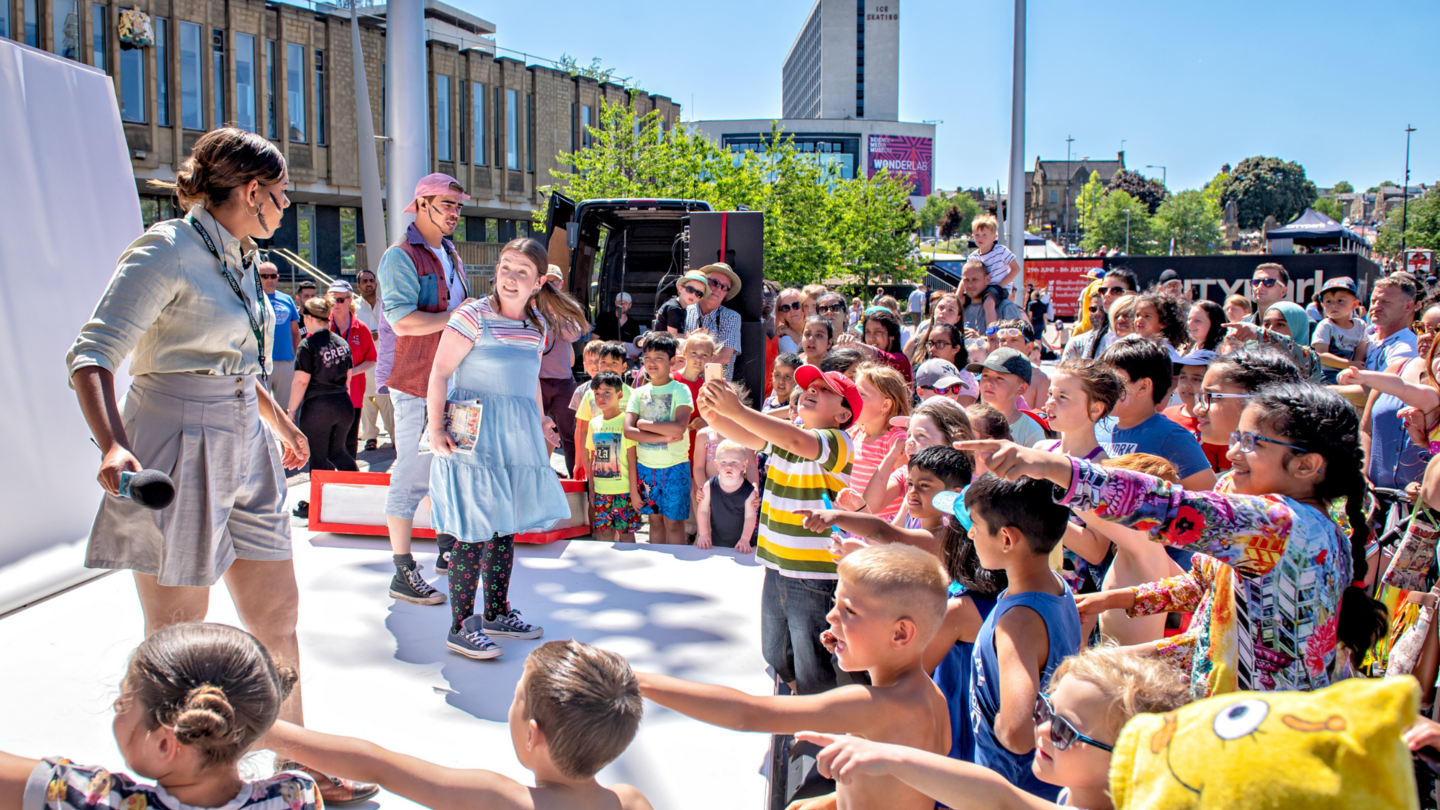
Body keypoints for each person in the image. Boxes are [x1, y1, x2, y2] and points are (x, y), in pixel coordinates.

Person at [61, 127, 367, 800]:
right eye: (283, 195)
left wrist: (276, 419)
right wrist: (113, 444)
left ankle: (297, 760)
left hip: (243, 440)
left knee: (277, 616)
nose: (286, 208)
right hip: (175, 437)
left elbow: (229, 352)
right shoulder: (166, 249)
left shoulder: (236, 254)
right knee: (180, 633)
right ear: (252, 192)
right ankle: (175, 775)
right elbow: (92, 354)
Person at [971, 382, 1390, 699]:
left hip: (1262, 738)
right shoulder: (1297, 526)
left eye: (1252, 443)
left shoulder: (1280, 524)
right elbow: (1212, 611)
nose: (1234, 452)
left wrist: (1053, 466)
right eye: (1238, 438)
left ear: (1307, 465)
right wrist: (1113, 604)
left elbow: (1168, 508)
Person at [636, 544, 951, 810]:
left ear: (900, 633)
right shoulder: (933, 697)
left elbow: (747, 714)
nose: (830, 616)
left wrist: (637, 681)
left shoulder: (874, 705)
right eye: (834, 604)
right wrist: (828, 802)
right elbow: (898, 791)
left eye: (849, 611)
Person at [258, 640, 653, 810]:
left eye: (515, 698)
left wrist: (262, 729)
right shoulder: (631, 801)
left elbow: (376, 764)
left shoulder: (502, 800)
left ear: (532, 734)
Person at [794, 645, 1191, 810]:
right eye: (1044, 710)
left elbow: (1000, 799)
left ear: (1130, 758)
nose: (1041, 730)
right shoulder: (1083, 794)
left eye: (1063, 731)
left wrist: (888, 756)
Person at [427, 237, 577, 660]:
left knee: (503, 528)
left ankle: (495, 613)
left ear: (539, 282)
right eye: (506, 267)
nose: (510, 278)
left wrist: (541, 420)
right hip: (472, 436)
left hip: (515, 437)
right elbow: (439, 374)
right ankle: (460, 627)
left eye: (522, 272)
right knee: (473, 531)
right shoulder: (471, 315)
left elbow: (528, 379)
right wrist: (436, 427)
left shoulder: (536, 326)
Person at [0, 623, 337, 810]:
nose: (117, 711)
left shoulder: (93, 800)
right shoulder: (295, 795)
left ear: (164, 743)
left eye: (122, 704)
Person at [697, 364, 859, 694]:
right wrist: (714, 415)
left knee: (812, 662)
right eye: (810, 387)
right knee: (774, 652)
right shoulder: (787, 436)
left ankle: (816, 725)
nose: (811, 390)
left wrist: (738, 409)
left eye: (824, 389)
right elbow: (746, 435)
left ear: (843, 415)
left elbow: (793, 438)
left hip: (814, 574)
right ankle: (802, 704)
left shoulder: (838, 441)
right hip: (776, 565)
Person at [933, 473, 1081, 800]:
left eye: (975, 525)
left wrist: (994, 724)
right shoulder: (1055, 585)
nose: (969, 533)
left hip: (1011, 789)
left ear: (1007, 540)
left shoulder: (1019, 621)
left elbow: (1017, 734)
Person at [375, 173, 473, 606]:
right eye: (447, 204)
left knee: (450, 471)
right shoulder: (399, 256)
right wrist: (460, 315)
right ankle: (402, 568)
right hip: (417, 384)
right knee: (411, 475)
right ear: (421, 204)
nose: (454, 213)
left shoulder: (449, 252)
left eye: (457, 206)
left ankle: (446, 551)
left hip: (454, 384)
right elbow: (401, 322)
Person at [1064, 454, 1187, 645]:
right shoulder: (1149, 553)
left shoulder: (1145, 547)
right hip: (1130, 666)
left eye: (1116, 491)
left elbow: (1091, 510)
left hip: (1132, 669)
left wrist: (1053, 472)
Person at [1094, 338, 1217, 492]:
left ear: (1143, 386)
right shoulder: (1097, 426)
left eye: (1114, 381)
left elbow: (1208, 501)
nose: (1103, 388)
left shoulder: (1174, 438)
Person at [624, 333, 693, 545]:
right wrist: (662, 435)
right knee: (654, 522)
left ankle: (677, 570)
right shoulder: (638, 393)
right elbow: (628, 431)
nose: (651, 363)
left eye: (659, 358)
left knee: (674, 523)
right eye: (647, 357)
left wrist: (644, 425)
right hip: (647, 469)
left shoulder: (681, 390)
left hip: (676, 468)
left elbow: (679, 426)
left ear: (672, 362)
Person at [860, 400, 974, 526]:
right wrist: (891, 457)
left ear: (953, 440)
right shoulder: (909, 477)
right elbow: (871, 506)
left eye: (921, 435)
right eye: (909, 435)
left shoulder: (968, 489)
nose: (909, 442)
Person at [288, 298, 358, 473]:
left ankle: (320, 500)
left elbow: (301, 381)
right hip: (343, 404)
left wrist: (291, 412)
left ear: (309, 318)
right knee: (338, 452)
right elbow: (348, 379)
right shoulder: (342, 343)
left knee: (318, 458)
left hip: (318, 408)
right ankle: (359, 492)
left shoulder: (307, 345)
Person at [835, 364, 911, 521]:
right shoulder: (854, 432)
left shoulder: (897, 442)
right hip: (856, 523)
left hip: (881, 528)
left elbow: (903, 487)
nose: (853, 399)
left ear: (885, 405)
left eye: (861, 394)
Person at [538, 266, 587, 475]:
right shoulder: (533, 304)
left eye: (555, 282)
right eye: (547, 282)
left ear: (561, 284)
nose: (551, 286)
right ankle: (540, 472)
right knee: (535, 431)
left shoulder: (567, 306)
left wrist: (558, 311)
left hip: (563, 379)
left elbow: (574, 334)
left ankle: (574, 476)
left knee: (569, 433)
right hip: (537, 380)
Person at [583, 371, 643, 543]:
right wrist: (592, 490)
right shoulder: (593, 423)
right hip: (601, 493)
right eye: (597, 393)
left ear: (620, 394)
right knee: (603, 535)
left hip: (624, 493)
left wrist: (633, 492)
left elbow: (632, 461)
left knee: (626, 534)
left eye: (607, 392)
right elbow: (593, 459)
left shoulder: (627, 423)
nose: (601, 397)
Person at [325, 280, 377, 460]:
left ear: (349, 300)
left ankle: (349, 482)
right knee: (327, 443)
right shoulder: (323, 326)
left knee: (349, 443)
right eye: (331, 301)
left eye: (340, 300)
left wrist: (350, 372)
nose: (335, 305)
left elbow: (371, 359)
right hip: (326, 395)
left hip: (352, 394)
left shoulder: (361, 328)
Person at [1037, 359, 1123, 462]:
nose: (1048, 403)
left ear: (1095, 409)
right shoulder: (1040, 450)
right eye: (1050, 394)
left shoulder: (1099, 468)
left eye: (1062, 397)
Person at [571, 341, 630, 481]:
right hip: (596, 467)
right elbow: (581, 431)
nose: (608, 367)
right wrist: (581, 463)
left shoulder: (634, 395)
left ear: (624, 366)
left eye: (614, 362)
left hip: (626, 468)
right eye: (604, 362)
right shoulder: (589, 395)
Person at [1225, 302, 1324, 383]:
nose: (1271, 329)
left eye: (1280, 324)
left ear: (1297, 327)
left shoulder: (1310, 357)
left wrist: (1263, 334)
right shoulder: (1256, 357)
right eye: (1266, 324)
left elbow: (1291, 349)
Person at [967, 348, 1047, 449]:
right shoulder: (969, 420)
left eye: (1000, 378)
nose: (989, 382)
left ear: (1021, 389)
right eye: (985, 375)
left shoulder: (1030, 430)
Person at [1162, 350, 1228, 471]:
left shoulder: (1220, 424)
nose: (1186, 385)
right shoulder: (1165, 415)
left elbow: (1225, 475)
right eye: (1183, 377)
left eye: (1197, 379)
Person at [354, 268, 393, 451]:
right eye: (364, 281)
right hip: (363, 361)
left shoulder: (385, 305)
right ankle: (370, 436)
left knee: (387, 400)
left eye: (371, 280)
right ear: (359, 286)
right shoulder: (353, 308)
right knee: (366, 401)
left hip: (385, 361)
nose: (368, 284)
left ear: (376, 283)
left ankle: (394, 435)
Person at [697, 440, 759, 552]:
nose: (729, 466)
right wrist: (704, 534)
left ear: (744, 465)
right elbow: (703, 510)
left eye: (734, 462)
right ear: (716, 464)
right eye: (723, 462)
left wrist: (745, 539)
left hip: (743, 546)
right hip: (716, 544)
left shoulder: (749, 491)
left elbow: (750, 516)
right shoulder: (709, 486)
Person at [684, 263, 743, 379]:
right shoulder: (684, 310)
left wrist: (692, 371)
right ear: (704, 284)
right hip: (682, 386)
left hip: (715, 389)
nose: (718, 289)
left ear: (726, 293)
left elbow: (724, 356)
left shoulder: (731, 317)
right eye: (714, 283)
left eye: (724, 287)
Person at [261, 260, 301, 411]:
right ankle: (265, 436)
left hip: (286, 361)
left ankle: (286, 436)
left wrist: (296, 357)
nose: (269, 279)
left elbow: (295, 332)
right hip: (261, 363)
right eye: (264, 276)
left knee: (287, 408)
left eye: (273, 276)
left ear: (278, 277)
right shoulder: (252, 299)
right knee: (261, 409)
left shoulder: (287, 299)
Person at [1311, 277, 1367, 384]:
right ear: (1322, 305)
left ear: (1355, 304)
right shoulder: (1325, 326)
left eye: (1340, 300)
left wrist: (1355, 369)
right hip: (1327, 373)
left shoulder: (1361, 325)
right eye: (1328, 301)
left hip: (1349, 371)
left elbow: (1360, 351)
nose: (1334, 305)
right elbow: (1321, 355)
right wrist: (1351, 364)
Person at [1359, 273, 1419, 372]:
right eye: (1373, 301)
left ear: (1408, 306)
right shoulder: (1362, 335)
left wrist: (1327, 388)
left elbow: (1379, 387)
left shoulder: (1408, 347)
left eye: (1385, 301)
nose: (1375, 307)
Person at [968, 214, 1022, 317]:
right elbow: (966, 277)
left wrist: (1000, 285)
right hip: (982, 288)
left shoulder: (1001, 251)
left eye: (984, 235)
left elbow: (1016, 269)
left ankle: (991, 330)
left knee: (988, 303)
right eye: (977, 235)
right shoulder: (972, 257)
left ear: (994, 237)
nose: (980, 238)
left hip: (1001, 287)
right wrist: (957, 295)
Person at [989, 319, 1050, 407]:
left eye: (1014, 340)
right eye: (1002, 340)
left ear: (1029, 347)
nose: (1006, 344)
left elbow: (1041, 417)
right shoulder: (991, 375)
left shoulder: (1041, 379)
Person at [961, 260, 1026, 336]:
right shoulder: (960, 308)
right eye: (966, 280)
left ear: (987, 279)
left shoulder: (1005, 307)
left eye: (975, 279)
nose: (970, 284)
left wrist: (980, 341)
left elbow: (1016, 342)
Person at [906, 291, 962, 356]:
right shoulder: (914, 343)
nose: (943, 312)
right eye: (941, 307)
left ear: (958, 319)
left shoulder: (966, 345)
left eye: (951, 310)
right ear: (933, 311)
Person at [654, 271, 709, 336]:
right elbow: (673, 336)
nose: (693, 295)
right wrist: (692, 336)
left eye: (698, 294)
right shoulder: (674, 308)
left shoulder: (680, 307)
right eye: (690, 290)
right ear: (680, 289)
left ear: (701, 298)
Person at [776, 287, 807, 354]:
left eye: (796, 305)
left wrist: (788, 331)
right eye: (786, 308)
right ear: (781, 314)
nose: (792, 311)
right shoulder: (784, 339)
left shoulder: (816, 325)